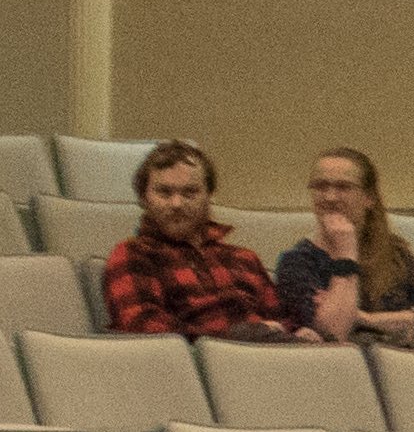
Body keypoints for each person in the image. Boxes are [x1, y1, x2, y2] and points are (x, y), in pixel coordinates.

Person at [98, 141, 294, 342]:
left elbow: (283, 321)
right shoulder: (133, 253)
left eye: (189, 193)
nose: (177, 204)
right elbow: (143, 327)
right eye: (164, 192)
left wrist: (296, 332)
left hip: (270, 353)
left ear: (209, 197)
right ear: (144, 198)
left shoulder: (244, 258)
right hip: (190, 357)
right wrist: (234, 337)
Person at [266, 148, 414, 346]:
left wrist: (365, 319)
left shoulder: (394, 252)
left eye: (343, 187)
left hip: (402, 359)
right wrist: (346, 255)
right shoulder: (295, 261)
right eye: (321, 186)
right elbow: (332, 334)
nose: (330, 197)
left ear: (369, 198)